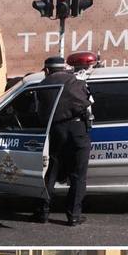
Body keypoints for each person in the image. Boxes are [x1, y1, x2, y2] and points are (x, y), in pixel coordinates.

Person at [33, 56, 92, 227]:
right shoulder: (76, 81)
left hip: (56, 131)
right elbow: (85, 103)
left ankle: (42, 212)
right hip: (77, 130)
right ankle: (73, 216)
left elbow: (37, 112)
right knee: (78, 175)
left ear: (47, 70)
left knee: (51, 171)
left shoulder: (43, 86)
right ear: (64, 68)